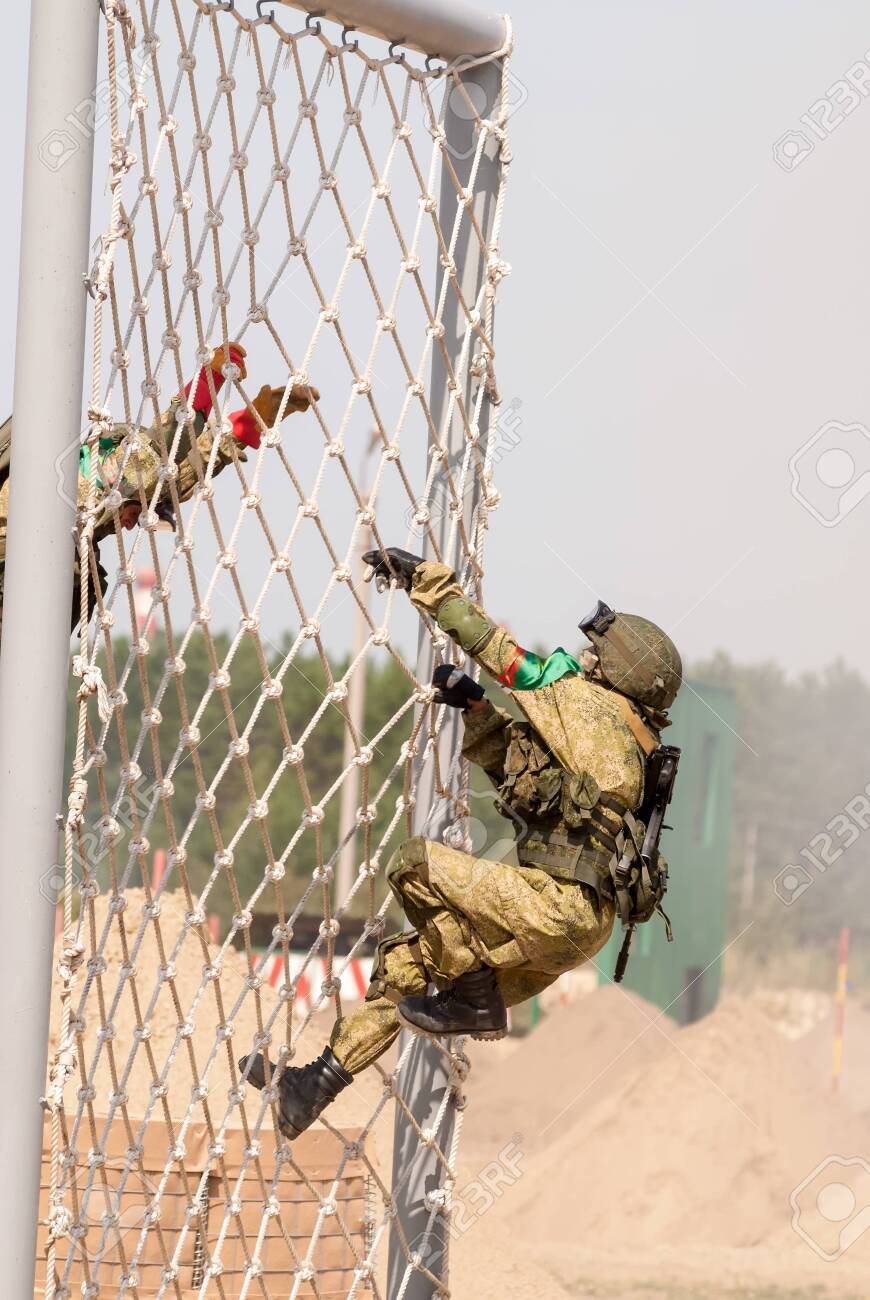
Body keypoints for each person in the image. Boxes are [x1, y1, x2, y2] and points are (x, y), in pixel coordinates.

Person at [240, 546, 683, 1139]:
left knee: (414, 865)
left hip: (555, 904)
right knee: (409, 965)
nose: (584, 657)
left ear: (617, 668)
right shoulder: (627, 744)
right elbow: (527, 783)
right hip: (574, 927)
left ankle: (472, 1001)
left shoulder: (586, 704)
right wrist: (477, 709)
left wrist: (424, 581)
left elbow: (502, 654)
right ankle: (312, 1088)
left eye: (596, 652)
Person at [0, 342, 319, 642]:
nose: (128, 526)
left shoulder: (103, 496)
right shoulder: (98, 493)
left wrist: (238, 410)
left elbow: (177, 459)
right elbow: (169, 457)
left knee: (159, 479)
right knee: (159, 478)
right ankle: (233, 407)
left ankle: (226, 401)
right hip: (30, 521)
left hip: (47, 517)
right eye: (135, 516)